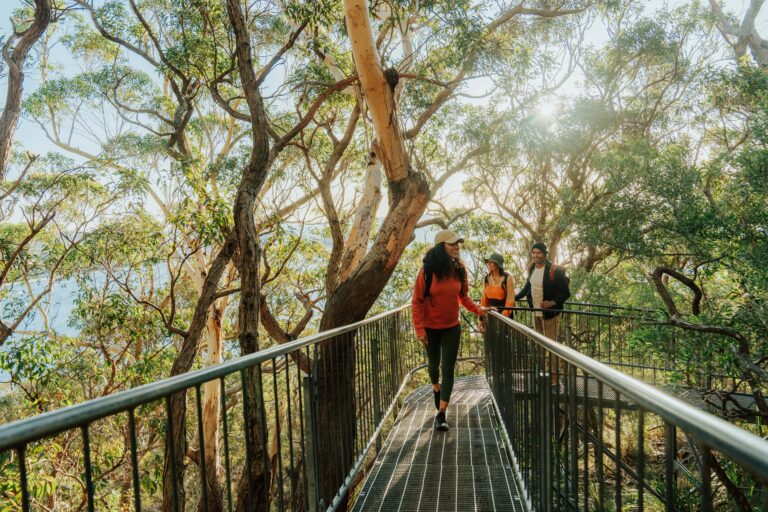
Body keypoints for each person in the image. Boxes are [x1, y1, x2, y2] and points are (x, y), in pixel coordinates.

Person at [412, 229, 488, 431]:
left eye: (458, 244)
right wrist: (420, 329)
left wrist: (479, 309)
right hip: (430, 329)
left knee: (448, 369)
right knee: (433, 367)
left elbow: (464, 297)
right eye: (452, 244)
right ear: (440, 247)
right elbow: (417, 301)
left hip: (452, 328)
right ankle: (436, 388)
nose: (457, 247)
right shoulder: (427, 271)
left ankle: (441, 413)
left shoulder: (459, 270)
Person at [515, 242, 571, 341]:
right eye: (533, 252)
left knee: (550, 345)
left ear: (545, 255)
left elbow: (566, 293)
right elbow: (527, 287)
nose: (535, 255)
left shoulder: (554, 270)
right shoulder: (532, 269)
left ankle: (553, 357)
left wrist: (551, 303)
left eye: (538, 253)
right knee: (539, 343)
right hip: (536, 313)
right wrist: (514, 298)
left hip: (550, 314)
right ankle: (541, 357)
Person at [479, 252, 515, 329]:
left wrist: (502, 319)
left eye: (492, 262)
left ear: (498, 264)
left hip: (505, 317)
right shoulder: (486, 279)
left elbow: (510, 302)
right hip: (490, 315)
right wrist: (481, 319)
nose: (489, 264)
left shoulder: (508, 278)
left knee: (504, 340)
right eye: (488, 262)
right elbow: (483, 301)